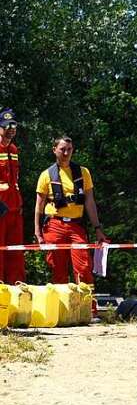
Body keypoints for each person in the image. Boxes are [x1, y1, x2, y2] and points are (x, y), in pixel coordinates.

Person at [33, 136, 108, 283]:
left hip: (76, 225)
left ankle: (87, 305)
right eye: (62, 149)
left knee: (84, 268)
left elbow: (90, 202)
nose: (66, 153)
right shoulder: (46, 175)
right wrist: (37, 232)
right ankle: (61, 306)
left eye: (69, 149)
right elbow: (39, 206)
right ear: (54, 150)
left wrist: (97, 228)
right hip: (54, 226)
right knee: (57, 269)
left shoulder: (83, 172)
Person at [0, 108, 25, 283]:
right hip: (0, 209)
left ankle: (15, 290)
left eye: (13, 125)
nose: (10, 129)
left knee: (16, 252)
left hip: (14, 210)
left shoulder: (14, 149)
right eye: (6, 125)